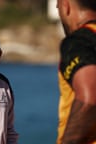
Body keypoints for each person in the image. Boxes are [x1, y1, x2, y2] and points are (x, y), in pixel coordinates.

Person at [56, 0, 96, 143]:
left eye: (58, 5)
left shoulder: (80, 42)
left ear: (66, 5)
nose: (56, 8)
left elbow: (89, 99)